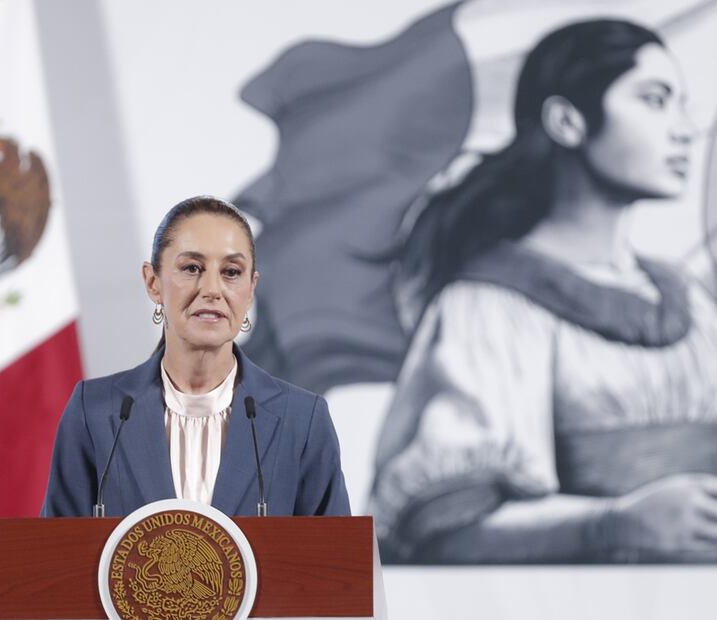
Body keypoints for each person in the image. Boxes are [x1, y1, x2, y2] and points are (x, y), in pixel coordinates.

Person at [370, 19, 717, 563]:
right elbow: (443, 529)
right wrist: (613, 524)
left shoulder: (693, 303)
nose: (682, 130)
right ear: (567, 121)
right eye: (654, 100)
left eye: (682, 105)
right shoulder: (489, 307)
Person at [41, 196, 350, 517]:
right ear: (153, 282)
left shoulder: (302, 420)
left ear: (251, 288)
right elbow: (54, 559)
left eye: (231, 272)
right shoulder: (95, 413)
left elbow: (338, 563)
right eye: (192, 268)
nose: (212, 289)